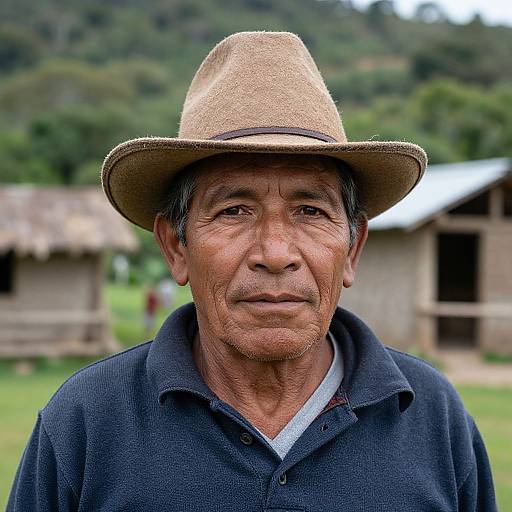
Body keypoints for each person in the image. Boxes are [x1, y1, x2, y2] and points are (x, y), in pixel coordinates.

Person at [7, 31, 497, 511]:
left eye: (310, 211)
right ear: (176, 246)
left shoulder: (435, 417)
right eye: (234, 210)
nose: (276, 252)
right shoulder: (85, 423)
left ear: (352, 248)